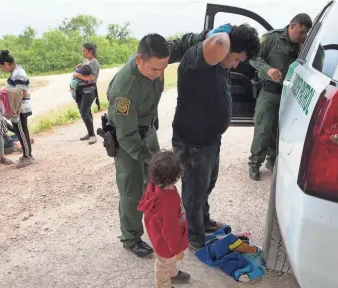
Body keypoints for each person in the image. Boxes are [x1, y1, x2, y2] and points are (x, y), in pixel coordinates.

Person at [106, 28, 218, 258]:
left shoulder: (156, 56)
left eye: (163, 69)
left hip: (147, 131)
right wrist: (153, 159)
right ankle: (131, 237)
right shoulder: (124, 91)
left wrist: (205, 35)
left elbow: (179, 44)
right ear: (139, 60)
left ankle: (159, 225)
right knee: (132, 189)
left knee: (156, 181)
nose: (159, 74)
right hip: (127, 140)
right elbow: (127, 137)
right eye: (154, 69)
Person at [171, 24, 260, 250]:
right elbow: (220, 42)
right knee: (194, 192)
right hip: (193, 140)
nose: (237, 64)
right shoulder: (198, 57)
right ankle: (194, 236)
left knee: (206, 185)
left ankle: (203, 221)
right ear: (228, 46)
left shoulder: (221, 61)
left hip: (210, 138)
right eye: (237, 58)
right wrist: (227, 33)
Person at [248, 13, 312, 180]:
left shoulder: (305, 45)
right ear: (292, 26)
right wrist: (267, 69)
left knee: (280, 129)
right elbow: (253, 57)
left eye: (306, 33)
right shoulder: (272, 38)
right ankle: (254, 163)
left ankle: (273, 159)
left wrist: (304, 48)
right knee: (263, 129)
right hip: (269, 92)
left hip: (290, 94)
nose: (303, 36)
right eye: (301, 32)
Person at [138, 150, 190, 288]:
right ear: (175, 176)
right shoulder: (168, 200)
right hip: (166, 244)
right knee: (163, 264)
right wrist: (177, 248)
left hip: (157, 234)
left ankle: (172, 274)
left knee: (168, 261)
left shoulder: (154, 183)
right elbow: (170, 230)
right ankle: (163, 285)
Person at [0, 50, 34, 168]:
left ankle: (28, 156)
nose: (2, 69)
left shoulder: (18, 74)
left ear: (6, 64)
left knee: (22, 132)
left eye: (1, 67)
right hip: (17, 108)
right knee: (20, 131)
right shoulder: (15, 73)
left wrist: (3, 94)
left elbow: (23, 93)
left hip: (20, 108)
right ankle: (26, 155)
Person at [72, 43, 100, 145]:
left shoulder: (94, 63)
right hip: (82, 91)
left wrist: (77, 75)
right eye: (82, 50)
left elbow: (91, 78)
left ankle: (92, 135)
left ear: (90, 51)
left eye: (84, 51)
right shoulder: (86, 61)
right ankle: (90, 132)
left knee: (84, 112)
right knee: (86, 112)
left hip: (89, 91)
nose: (82, 52)